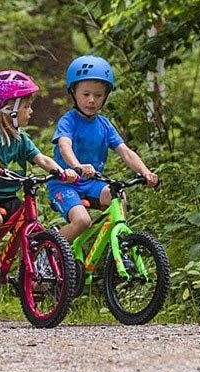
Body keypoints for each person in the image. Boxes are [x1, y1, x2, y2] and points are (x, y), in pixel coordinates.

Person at [0, 70, 79, 266]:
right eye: (26, 106)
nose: (31, 111)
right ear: (10, 109)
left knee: (33, 230)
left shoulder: (21, 139)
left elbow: (42, 159)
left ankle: (32, 275)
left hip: (8, 196)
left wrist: (61, 172)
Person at [47, 55, 158, 243]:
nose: (91, 100)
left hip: (92, 183)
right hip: (65, 183)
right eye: (86, 94)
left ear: (105, 96)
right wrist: (77, 166)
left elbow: (126, 152)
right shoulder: (69, 120)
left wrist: (146, 173)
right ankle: (47, 250)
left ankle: (118, 248)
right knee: (82, 221)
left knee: (118, 196)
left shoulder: (104, 125)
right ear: (73, 92)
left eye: (98, 95)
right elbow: (64, 145)